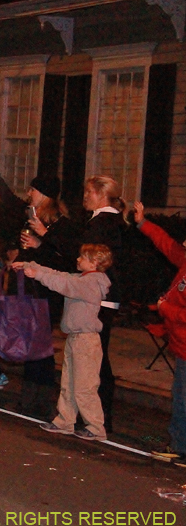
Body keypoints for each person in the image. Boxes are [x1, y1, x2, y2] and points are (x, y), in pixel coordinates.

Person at [0, 150, 80, 417]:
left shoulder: (59, 223)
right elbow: (8, 199)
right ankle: (31, 397)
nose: (29, 193)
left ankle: (39, 398)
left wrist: (42, 242)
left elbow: (68, 259)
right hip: (27, 287)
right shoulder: (30, 214)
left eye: (34, 190)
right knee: (32, 345)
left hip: (45, 291)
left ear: (45, 194)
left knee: (40, 347)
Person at [14, 243, 113, 441]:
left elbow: (64, 284)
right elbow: (59, 275)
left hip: (86, 339)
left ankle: (95, 426)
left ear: (94, 262)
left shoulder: (91, 283)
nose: (78, 260)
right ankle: (65, 420)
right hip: (75, 338)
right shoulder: (82, 278)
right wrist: (29, 265)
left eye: (82, 257)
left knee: (85, 385)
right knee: (69, 382)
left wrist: (38, 275)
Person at [132, 203, 186, 466]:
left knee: (183, 399)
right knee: (180, 396)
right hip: (181, 344)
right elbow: (167, 244)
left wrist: (167, 308)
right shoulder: (185, 261)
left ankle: (180, 447)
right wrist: (143, 223)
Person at [80, 175, 126, 433]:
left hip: (100, 298)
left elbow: (95, 259)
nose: (85, 196)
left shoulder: (103, 223)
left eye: (89, 192)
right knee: (95, 357)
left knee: (96, 359)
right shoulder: (108, 222)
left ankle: (99, 417)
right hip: (103, 296)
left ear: (101, 194)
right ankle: (95, 415)